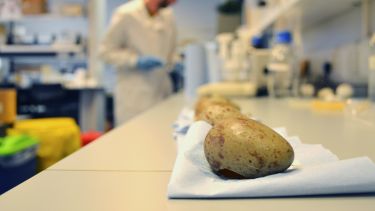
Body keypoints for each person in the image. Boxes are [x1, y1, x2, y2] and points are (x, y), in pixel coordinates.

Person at [100, 0, 179, 126]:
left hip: (161, 90)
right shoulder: (126, 13)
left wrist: (175, 62)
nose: (175, 2)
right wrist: (135, 61)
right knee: (134, 140)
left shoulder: (168, 14)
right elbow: (105, 52)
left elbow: (172, 50)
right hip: (134, 95)